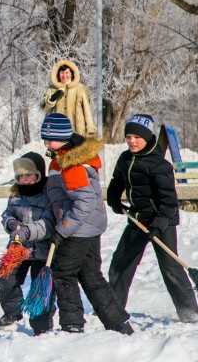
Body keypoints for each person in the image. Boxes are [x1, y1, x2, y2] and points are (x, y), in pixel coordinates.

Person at [41, 113, 133, 335]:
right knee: (90, 275)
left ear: (63, 139)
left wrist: (62, 230)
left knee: (63, 273)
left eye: (50, 139)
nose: (46, 143)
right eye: (45, 138)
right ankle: (118, 323)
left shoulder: (71, 164)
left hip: (78, 228)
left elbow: (84, 203)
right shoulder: (63, 159)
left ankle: (72, 324)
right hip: (88, 226)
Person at [107, 114, 198, 323]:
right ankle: (112, 309)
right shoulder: (125, 158)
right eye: (128, 136)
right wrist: (113, 199)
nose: (131, 141)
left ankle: (190, 313)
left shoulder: (160, 166)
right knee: (120, 263)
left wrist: (157, 226)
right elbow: (117, 180)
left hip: (161, 220)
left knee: (170, 267)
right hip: (137, 218)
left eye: (136, 137)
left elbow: (169, 203)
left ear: (148, 138)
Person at [0, 151, 56, 335]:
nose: (24, 180)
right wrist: (11, 223)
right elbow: (7, 214)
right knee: (5, 278)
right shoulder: (15, 195)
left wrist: (26, 231)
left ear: (38, 174)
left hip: (43, 250)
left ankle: (41, 324)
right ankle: (12, 312)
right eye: (20, 176)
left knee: (41, 288)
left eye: (29, 175)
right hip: (18, 248)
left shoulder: (48, 195)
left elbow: (48, 223)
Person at [40, 60, 96, 137]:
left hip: (77, 130)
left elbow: (86, 109)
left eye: (67, 72)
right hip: (58, 130)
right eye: (62, 73)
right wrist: (52, 98)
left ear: (72, 74)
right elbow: (44, 108)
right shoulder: (52, 89)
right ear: (58, 74)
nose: (64, 75)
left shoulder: (79, 88)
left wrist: (90, 127)